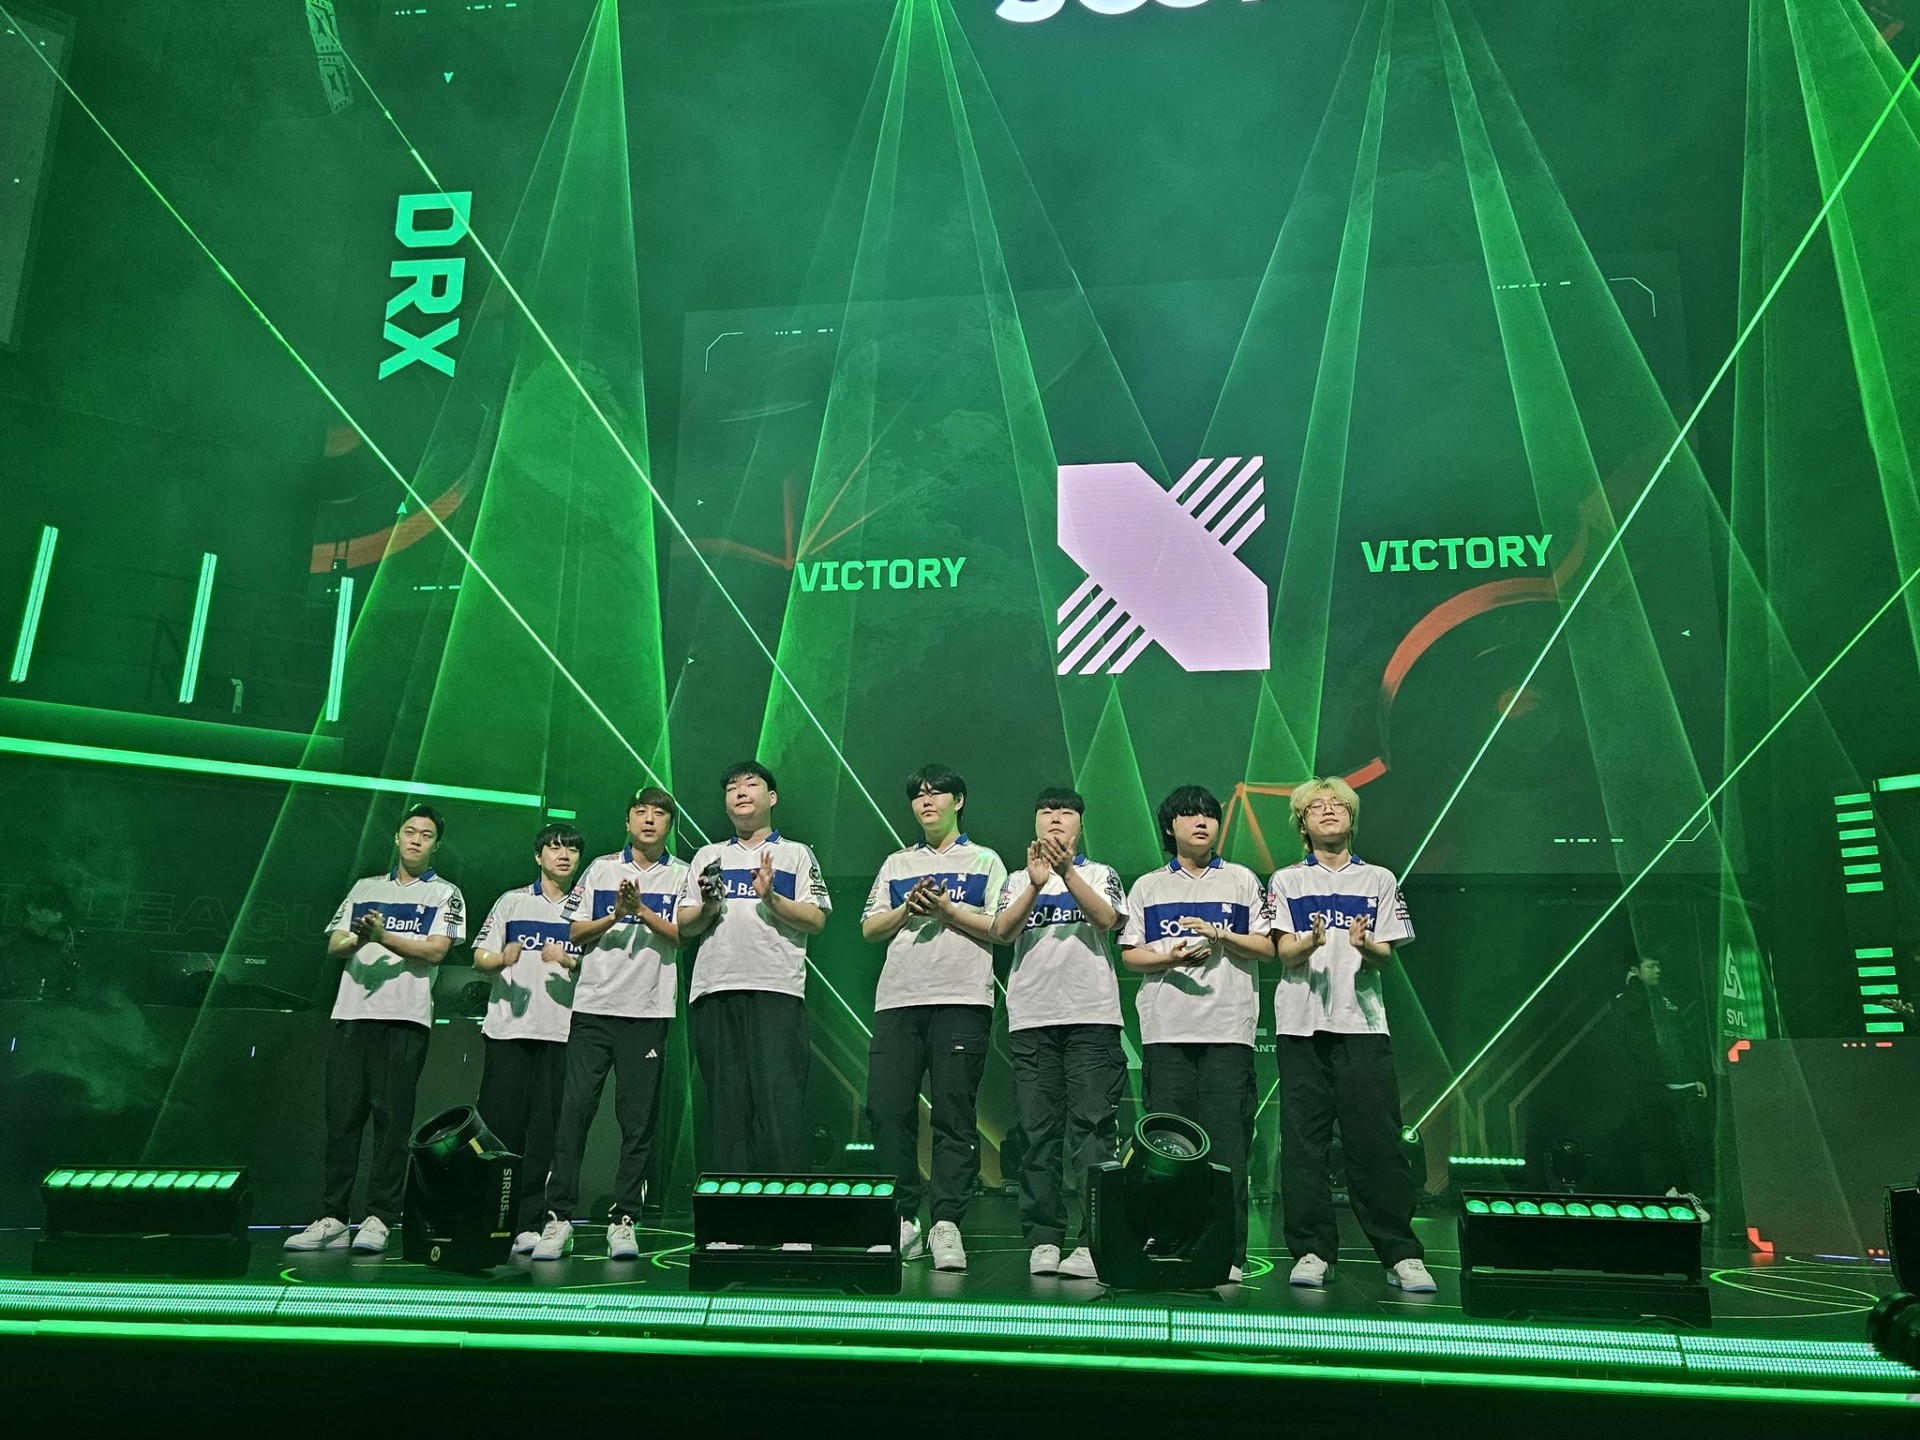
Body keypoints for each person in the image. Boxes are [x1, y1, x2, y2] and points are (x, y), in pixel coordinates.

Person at [1268, 776, 1433, 1292]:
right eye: (1316, 806)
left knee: (1376, 1142)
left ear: (1352, 817)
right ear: (1302, 823)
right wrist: (1310, 941)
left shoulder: (1378, 878)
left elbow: (1387, 955)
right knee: (1304, 1144)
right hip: (1301, 1026)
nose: (1328, 810)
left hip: (1362, 1025)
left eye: (1337, 803)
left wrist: (1364, 945)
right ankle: (1312, 1249)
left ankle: (1400, 1254)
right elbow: (1283, 953)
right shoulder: (1286, 880)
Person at [286, 804, 465, 1255]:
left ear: (436, 845)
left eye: (426, 835)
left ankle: (379, 1217)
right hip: (352, 1016)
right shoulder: (365, 888)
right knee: (342, 1120)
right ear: (396, 837)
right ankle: (333, 1216)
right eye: (410, 832)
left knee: (391, 1122)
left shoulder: (446, 893)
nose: (416, 840)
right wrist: (360, 937)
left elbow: (436, 951)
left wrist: (382, 936)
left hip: (404, 1020)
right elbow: (335, 944)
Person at [1119, 785, 1275, 1283]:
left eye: (1208, 814)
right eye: (1189, 815)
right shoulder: (1148, 886)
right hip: (1167, 1031)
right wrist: (1170, 957)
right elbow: (1130, 955)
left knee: (1228, 1146)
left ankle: (1227, 1252)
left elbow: (1267, 948)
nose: (1201, 822)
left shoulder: (1242, 880)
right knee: (1168, 1146)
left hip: (1228, 1030)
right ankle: (1171, 1241)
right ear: (1171, 826)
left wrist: (1219, 934)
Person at [531, 789, 688, 1261]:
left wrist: (641, 912)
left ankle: (625, 1219)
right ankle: (559, 1218)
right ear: (627, 821)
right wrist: (615, 914)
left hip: (648, 1011)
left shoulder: (682, 874)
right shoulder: (600, 869)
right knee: (574, 1113)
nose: (649, 820)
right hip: (594, 1010)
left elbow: (685, 936)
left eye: (659, 814)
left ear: (669, 825)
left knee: (636, 1122)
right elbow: (574, 930)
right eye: (640, 812)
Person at [860, 765, 1007, 1271]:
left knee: (953, 1113)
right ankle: (902, 1217)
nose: (926, 801)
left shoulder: (986, 860)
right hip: (898, 1000)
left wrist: (947, 911)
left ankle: (947, 1221)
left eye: (936, 793)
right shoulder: (897, 863)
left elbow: (1002, 926)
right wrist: (907, 910)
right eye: (918, 795)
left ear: (957, 801)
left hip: (962, 998)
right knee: (886, 1109)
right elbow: (870, 928)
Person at [989, 785, 1125, 1280]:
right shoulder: (1015, 879)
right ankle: (1044, 1236)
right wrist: (1034, 884)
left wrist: (1066, 873)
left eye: (1066, 812)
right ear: (1035, 822)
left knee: (1092, 1132)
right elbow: (1001, 932)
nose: (1055, 818)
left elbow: (1107, 920)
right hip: (1033, 1019)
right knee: (1037, 1133)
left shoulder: (1100, 873)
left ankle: (1094, 1242)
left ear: (1079, 825)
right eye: (1046, 811)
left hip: (1091, 1017)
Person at [677, 761, 830, 1174]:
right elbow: (685, 924)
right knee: (726, 1108)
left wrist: (771, 898)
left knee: (780, 1104)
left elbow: (816, 919)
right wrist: (709, 906)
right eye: (732, 787)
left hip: (776, 990)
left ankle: (785, 1207)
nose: (740, 792)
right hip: (715, 990)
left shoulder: (796, 854)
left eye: (750, 784)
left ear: (772, 797)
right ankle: (732, 1208)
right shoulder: (708, 856)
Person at [469, 822, 586, 1257]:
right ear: (538, 856)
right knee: (500, 1129)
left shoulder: (585, 907)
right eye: (554, 848)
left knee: (545, 1133)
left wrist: (572, 963)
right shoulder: (512, 901)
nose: (563, 855)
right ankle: (487, 1220)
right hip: (509, 1031)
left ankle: (528, 1221)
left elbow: (603, 967)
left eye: (571, 849)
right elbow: (479, 956)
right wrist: (501, 958)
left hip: (561, 1032)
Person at [1606, 955, 1709, 1210]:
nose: (1657, 970)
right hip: (1645, 1085)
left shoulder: (1665, 1001)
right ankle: (1668, 1194)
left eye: (1659, 966)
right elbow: (1625, 1037)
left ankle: (1685, 1191)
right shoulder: (1628, 1000)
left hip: (1673, 1082)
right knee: (1654, 1141)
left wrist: (1692, 1077)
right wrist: (1634, 985)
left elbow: (1681, 1041)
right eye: (1650, 966)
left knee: (1681, 1140)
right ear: (1635, 970)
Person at [0, 882, 80, 1000]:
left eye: (61, 910)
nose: (59, 915)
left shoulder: (68, 945)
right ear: (31, 908)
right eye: (53, 909)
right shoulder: (7, 947)